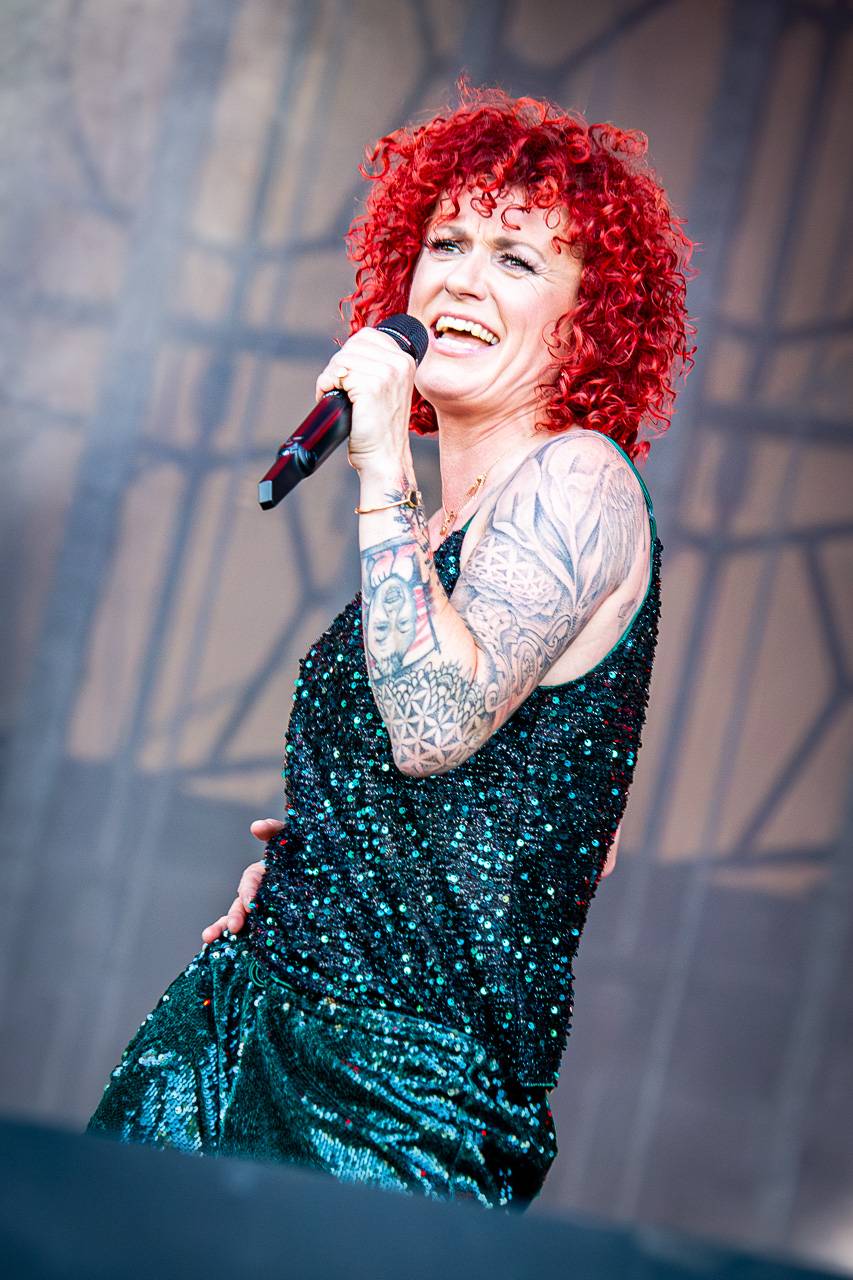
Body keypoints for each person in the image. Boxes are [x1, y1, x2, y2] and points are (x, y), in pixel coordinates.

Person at [86, 84, 693, 1211]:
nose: (458, 279)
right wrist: (339, 860)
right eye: (444, 243)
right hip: (235, 1029)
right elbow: (529, 813)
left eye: (515, 258)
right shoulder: (442, 528)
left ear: (590, 318)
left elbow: (434, 725)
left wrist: (376, 465)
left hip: (393, 1100)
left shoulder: (578, 481)